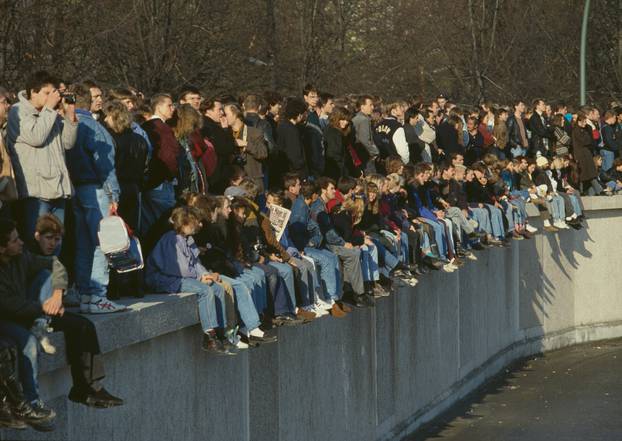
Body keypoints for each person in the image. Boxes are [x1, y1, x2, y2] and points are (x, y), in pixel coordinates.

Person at [0, 219, 124, 412]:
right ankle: (31, 402)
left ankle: (88, 388)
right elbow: (12, 306)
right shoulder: (19, 259)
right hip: (26, 316)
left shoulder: (21, 256)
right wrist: (43, 308)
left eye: (57, 239)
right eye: (15, 240)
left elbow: (57, 264)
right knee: (43, 277)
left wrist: (57, 295)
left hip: (45, 312)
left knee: (83, 326)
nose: (53, 244)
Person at [64, 83, 125, 314]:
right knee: (102, 243)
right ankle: (98, 296)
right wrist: (114, 195)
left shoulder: (65, 124)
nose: (99, 100)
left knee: (83, 243)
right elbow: (106, 165)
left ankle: (84, 293)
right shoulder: (93, 127)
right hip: (96, 188)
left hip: (75, 189)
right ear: (85, 99)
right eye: (96, 96)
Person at [145, 206, 236, 355]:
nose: (199, 225)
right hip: (163, 278)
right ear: (184, 223)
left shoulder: (188, 239)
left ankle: (221, 331)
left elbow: (196, 263)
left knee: (217, 288)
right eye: (195, 222)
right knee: (205, 290)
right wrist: (200, 278)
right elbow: (178, 269)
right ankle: (210, 336)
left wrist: (205, 274)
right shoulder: (171, 238)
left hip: (180, 276)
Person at [6, 71, 78, 248]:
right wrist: (49, 109)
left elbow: (68, 143)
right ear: (33, 92)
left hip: (58, 189)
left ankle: (54, 276)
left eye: (53, 93)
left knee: (55, 245)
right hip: (36, 193)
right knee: (37, 245)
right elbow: (36, 137)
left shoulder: (50, 114)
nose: (51, 98)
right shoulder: (18, 111)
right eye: (46, 93)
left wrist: (70, 115)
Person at [103, 100, 149, 232]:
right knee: (130, 229)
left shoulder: (110, 139)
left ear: (115, 117)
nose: (105, 119)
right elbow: (145, 167)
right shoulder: (140, 140)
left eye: (108, 115)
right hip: (134, 188)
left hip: (116, 187)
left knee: (113, 231)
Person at [141, 93, 180, 235]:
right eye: (169, 105)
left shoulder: (144, 126)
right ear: (158, 107)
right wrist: (172, 175)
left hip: (148, 183)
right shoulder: (162, 129)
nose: (173, 109)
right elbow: (169, 157)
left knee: (148, 224)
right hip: (160, 182)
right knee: (166, 223)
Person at [225, 103, 267, 193]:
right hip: (233, 183)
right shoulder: (225, 134)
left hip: (252, 183)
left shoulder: (254, 132)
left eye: (226, 114)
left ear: (235, 114)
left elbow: (263, 153)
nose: (224, 117)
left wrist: (246, 144)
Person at [277, 97, 309, 178]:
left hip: (284, 169)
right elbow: (295, 154)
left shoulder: (282, 125)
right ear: (299, 115)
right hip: (294, 173)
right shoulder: (292, 130)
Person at [324, 106, 358, 180]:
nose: (345, 123)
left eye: (347, 120)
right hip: (336, 170)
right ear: (336, 118)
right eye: (342, 119)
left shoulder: (337, 131)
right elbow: (334, 153)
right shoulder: (334, 132)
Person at [352, 95, 380, 173]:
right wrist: (375, 152)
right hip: (366, 156)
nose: (373, 107)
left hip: (359, 155)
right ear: (362, 106)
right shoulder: (364, 120)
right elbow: (365, 140)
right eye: (370, 105)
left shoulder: (356, 118)